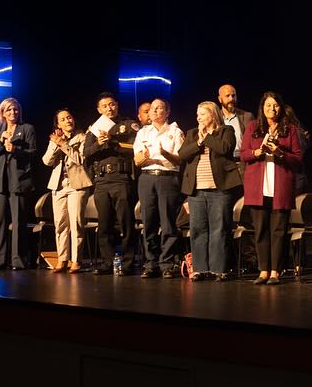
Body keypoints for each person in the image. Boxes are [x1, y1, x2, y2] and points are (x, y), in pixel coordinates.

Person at [241, 91, 304, 284]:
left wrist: (279, 152)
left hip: (280, 186)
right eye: (268, 105)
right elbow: (244, 154)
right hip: (257, 186)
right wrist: (258, 151)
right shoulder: (252, 127)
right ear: (262, 108)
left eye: (275, 105)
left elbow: (298, 159)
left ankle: (276, 271)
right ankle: (263, 271)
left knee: (278, 231)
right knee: (260, 230)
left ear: (281, 108)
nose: (272, 109)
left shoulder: (290, 129)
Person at [178, 101, 242, 281]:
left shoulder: (226, 131)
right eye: (197, 114)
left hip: (220, 189)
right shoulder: (192, 133)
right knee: (198, 229)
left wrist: (206, 137)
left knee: (219, 229)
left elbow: (224, 148)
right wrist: (198, 141)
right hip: (196, 190)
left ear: (212, 115)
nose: (198, 117)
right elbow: (182, 154)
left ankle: (218, 269)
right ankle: (199, 268)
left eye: (202, 114)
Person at [82, 93, 140, 275]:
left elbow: (135, 147)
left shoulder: (128, 125)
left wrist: (114, 141)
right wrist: (99, 143)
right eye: (105, 106)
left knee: (126, 223)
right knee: (104, 224)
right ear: (99, 110)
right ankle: (107, 262)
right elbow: (86, 152)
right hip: (102, 181)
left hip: (121, 179)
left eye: (112, 104)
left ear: (117, 105)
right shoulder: (95, 129)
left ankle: (128, 263)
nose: (109, 108)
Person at [133, 98, 184, 278]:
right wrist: (144, 157)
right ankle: (150, 263)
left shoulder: (175, 132)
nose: (154, 111)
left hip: (168, 178)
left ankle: (167, 263)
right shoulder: (143, 133)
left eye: (159, 108)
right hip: (147, 178)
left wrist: (163, 154)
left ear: (167, 112)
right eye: (152, 109)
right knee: (149, 222)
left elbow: (179, 159)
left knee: (168, 222)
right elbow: (138, 160)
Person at [0, 97, 38, 270]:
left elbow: (32, 153)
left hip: (19, 180)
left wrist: (16, 150)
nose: (12, 113)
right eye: (9, 110)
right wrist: (1, 143)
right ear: (3, 113)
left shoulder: (27, 128)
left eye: (15, 109)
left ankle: (18, 261)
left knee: (19, 222)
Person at [42, 108, 93, 273]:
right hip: (58, 185)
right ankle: (62, 259)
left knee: (76, 223)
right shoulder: (56, 139)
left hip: (76, 184)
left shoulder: (83, 137)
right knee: (60, 224)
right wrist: (57, 144)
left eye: (69, 117)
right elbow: (47, 161)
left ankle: (76, 260)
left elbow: (80, 159)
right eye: (63, 119)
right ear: (58, 124)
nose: (67, 121)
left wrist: (64, 144)